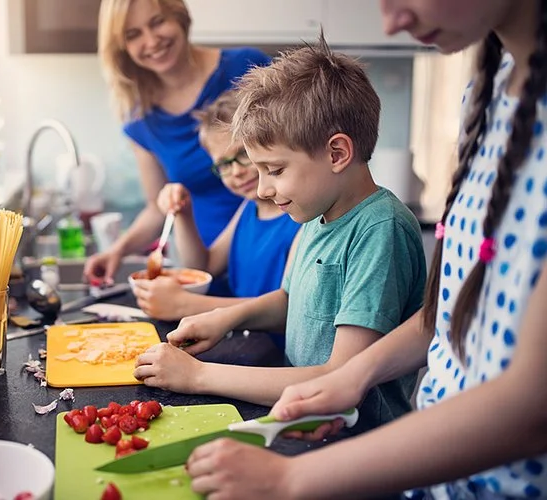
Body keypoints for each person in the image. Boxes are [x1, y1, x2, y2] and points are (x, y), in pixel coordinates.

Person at [182, 1, 547, 499]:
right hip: (430, 472)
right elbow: (445, 312)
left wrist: (288, 478)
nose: (390, 21)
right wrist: (351, 377)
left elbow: (530, 410)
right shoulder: (484, 97)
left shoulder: (379, 225)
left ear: (336, 153)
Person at [133, 35, 427, 416]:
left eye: (274, 170)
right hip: (302, 420)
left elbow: (339, 377)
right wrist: (225, 318)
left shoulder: (379, 231)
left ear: (337, 153)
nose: (262, 189)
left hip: (351, 440)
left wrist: (198, 376)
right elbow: (292, 300)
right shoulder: (319, 212)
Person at [83, 0, 271, 293]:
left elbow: (293, 151)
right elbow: (157, 208)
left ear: (180, 17)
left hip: (273, 245)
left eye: (157, 22)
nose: (151, 41)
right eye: (133, 34)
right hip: (206, 266)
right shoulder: (140, 118)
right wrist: (117, 251)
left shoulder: (246, 67)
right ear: (122, 48)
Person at [130, 90, 301, 321]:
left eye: (243, 154)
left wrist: (186, 305)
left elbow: (288, 309)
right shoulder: (249, 209)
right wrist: (184, 214)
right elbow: (205, 267)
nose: (237, 172)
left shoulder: (300, 217)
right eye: (224, 164)